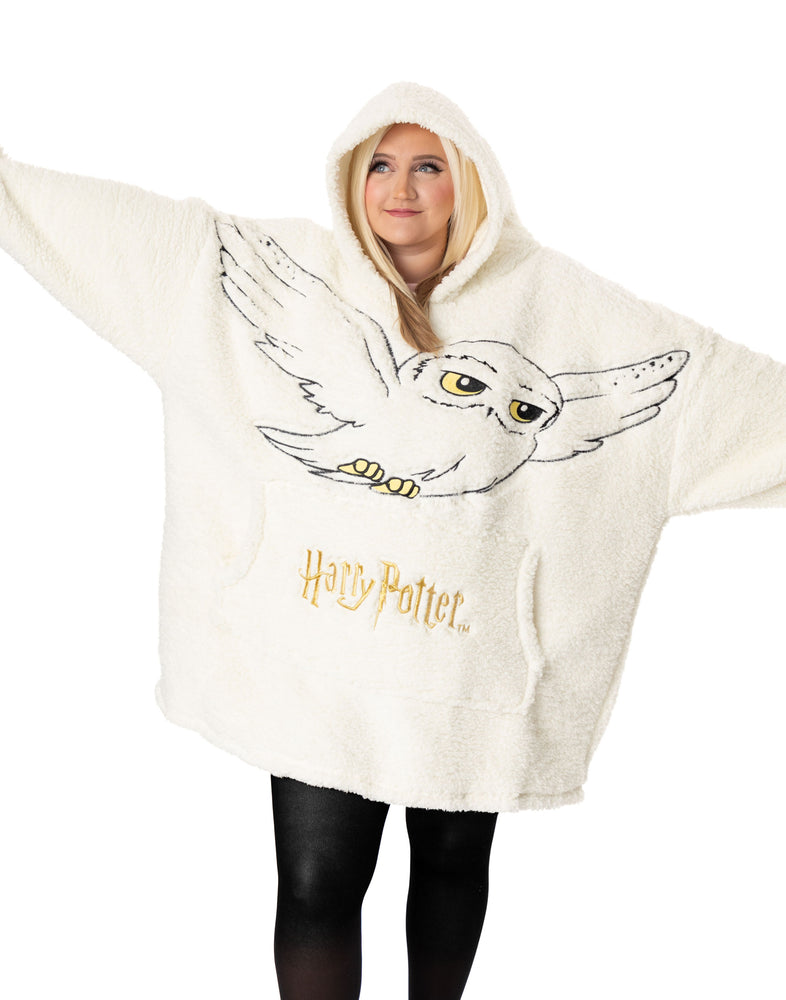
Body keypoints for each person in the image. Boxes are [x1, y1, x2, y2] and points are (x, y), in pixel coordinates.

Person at [1, 82, 785, 1000]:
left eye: (427, 166)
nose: (400, 189)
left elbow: (718, 403)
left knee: (451, 872)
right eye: (379, 165)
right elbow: (124, 239)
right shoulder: (283, 276)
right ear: (351, 179)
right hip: (323, 668)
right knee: (316, 884)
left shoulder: (565, 311)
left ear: (470, 184)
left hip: (468, 674)